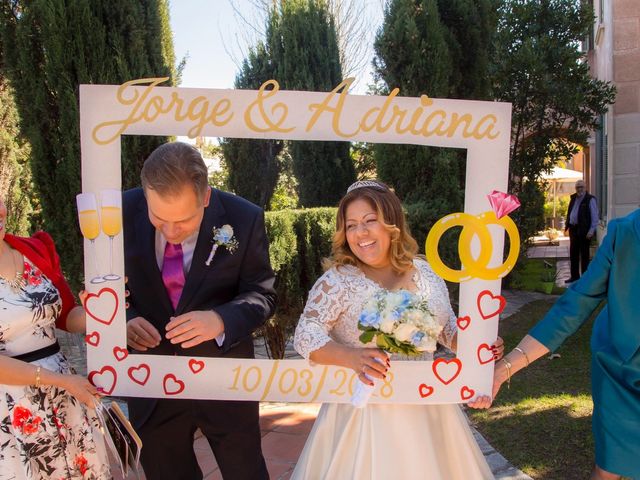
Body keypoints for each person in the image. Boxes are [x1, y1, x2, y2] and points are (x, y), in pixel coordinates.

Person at [292, 180, 499, 480]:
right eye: (351, 225)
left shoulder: (426, 271)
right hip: (364, 416)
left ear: (392, 223)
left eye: (369, 221)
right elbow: (305, 334)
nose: (360, 233)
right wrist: (351, 357)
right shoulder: (337, 282)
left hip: (428, 406)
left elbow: (447, 330)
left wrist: (480, 347)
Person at [123, 141, 276, 480]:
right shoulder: (118, 211)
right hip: (151, 382)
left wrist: (220, 320)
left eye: (184, 220)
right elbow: (101, 287)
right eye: (159, 217)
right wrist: (125, 320)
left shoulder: (244, 217)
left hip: (224, 379)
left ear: (206, 196)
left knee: (245, 472)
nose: (171, 231)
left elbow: (261, 294)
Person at [487, 209, 640, 480]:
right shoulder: (623, 232)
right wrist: (505, 367)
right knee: (609, 467)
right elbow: (573, 307)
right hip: (618, 371)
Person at [0, 197, 110, 479]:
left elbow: (67, 317)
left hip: (65, 394)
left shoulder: (34, 248)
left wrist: (100, 309)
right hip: (12, 405)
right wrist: (61, 381)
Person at [564, 179, 598, 283]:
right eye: (578, 187)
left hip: (584, 230)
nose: (579, 189)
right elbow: (570, 212)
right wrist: (567, 225)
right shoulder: (573, 198)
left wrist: (591, 230)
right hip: (573, 229)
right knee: (573, 253)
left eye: (581, 187)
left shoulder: (590, 199)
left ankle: (584, 277)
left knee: (584, 255)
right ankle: (574, 276)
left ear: (585, 187)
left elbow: (595, 216)